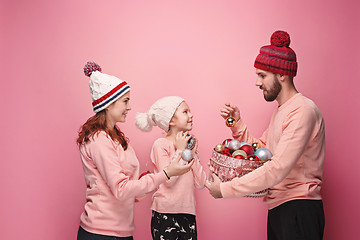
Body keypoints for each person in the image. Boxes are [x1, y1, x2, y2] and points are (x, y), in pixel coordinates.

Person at [205, 30, 325, 240]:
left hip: (298, 209)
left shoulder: (303, 111)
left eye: (262, 75)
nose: (257, 83)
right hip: (280, 208)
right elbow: (263, 150)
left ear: (282, 74)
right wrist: (237, 124)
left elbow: (277, 168)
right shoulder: (283, 110)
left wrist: (224, 190)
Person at [77, 62, 193, 240]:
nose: (129, 107)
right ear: (108, 104)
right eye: (125, 101)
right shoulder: (98, 139)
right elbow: (121, 189)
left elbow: (130, 193)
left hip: (122, 232)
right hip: (101, 233)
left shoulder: (116, 137)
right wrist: (166, 173)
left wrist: (153, 179)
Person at [135, 96, 206, 240]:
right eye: (185, 112)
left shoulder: (188, 147)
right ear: (171, 120)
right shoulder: (161, 144)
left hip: (188, 213)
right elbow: (168, 180)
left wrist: (191, 154)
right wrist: (180, 152)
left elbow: (201, 183)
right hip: (165, 213)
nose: (191, 115)